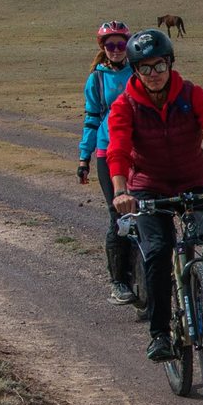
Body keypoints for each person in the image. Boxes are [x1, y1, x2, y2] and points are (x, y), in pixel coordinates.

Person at [106, 29, 203, 361]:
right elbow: (118, 149)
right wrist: (121, 192)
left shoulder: (191, 94)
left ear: (170, 63)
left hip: (192, 182)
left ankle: (201, 292)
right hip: (148, 187)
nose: (153, 74)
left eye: (159, 65)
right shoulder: (126, 105)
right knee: (159, 251)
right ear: (135, 70)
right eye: (145, 68)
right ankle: (161, 333)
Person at [78, 21, 139, 304]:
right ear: (103, 48)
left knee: (147, 213)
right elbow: (91, 120)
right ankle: (118, 280)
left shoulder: (139, 71)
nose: (116, 50)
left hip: (139, 150)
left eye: (120, 44)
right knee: (119, 216)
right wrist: (84, 158)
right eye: (110, 45)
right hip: (107, 150)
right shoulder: (97, 79)